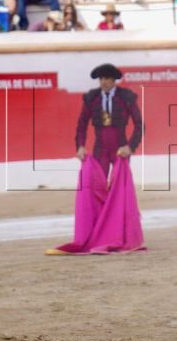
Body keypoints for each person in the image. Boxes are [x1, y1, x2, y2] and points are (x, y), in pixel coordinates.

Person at [51, 63, 144, 255]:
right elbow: (81, 125)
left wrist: (130, 147)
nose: (103, 82)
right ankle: (99, 232)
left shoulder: (126, 97)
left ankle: (121, 233)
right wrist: (81, 146)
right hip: (100, 149)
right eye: (101, 79)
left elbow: (139, 125)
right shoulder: (91, 98)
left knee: (121, 191)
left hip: (120, 150)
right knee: (97, 190)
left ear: (114, 80)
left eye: (107, 79)